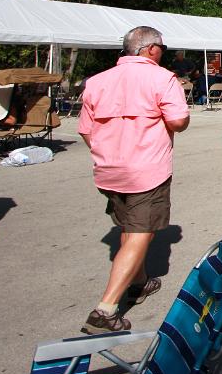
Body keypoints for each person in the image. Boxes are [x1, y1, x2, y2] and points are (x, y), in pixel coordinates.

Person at [77, 26, 189, 333]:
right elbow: (178, 121)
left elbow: (86, 130)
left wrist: (110, 152)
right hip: (146, 168)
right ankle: (106, 309)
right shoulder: (161, 78)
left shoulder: (97, 82)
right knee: (141, 232)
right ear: (151, 49)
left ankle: (138, 282)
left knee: (130, 226)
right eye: (162, 47)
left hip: (109, 169)